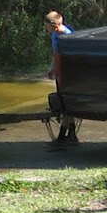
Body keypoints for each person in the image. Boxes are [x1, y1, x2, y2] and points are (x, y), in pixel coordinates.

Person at [43, 11, 79, 145]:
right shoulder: (55, 35)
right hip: (60, 73)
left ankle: (63, 137)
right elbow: (56, 54)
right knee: (65, 105)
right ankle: (71, 134)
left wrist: (57, 71)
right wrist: (52, 69)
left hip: (67, 74)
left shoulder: (66, 36)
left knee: (66, 106)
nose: (46, 29)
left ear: (53, 25)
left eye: (46, 26)